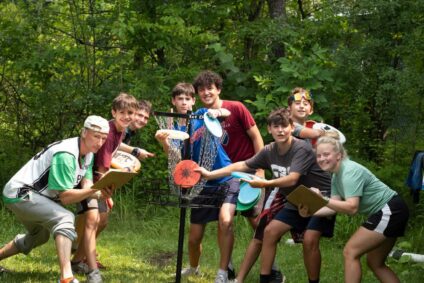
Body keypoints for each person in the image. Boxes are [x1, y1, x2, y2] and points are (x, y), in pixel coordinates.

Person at [196, 108, 335, 283]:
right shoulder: (269, 150)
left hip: (320, 198)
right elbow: (242, 165)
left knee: (309, 241)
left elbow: (292, 179)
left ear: (292, 127)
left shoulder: (301, 148)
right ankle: (265, 279)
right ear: (269, 129)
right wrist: (210, 174)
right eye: (276, 127)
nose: (281, 130)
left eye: (284, 126)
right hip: (295, 199)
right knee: (269, 232)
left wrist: (265, 184)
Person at [0, 115, 112, 283]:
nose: (100, 142)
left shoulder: (88, 153)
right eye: (96, 136)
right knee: (65, 217)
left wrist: (99, 193)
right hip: (21, 193)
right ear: (84, 132)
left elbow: (87, 184)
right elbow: (66, 197)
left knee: (40, 236)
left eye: (104, 138)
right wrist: (93, 191)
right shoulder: (66, 154)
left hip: (31, 196)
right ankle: (66, 277)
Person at [155, 82, 237, 283]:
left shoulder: (201, 114)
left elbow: (225, 111)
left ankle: (222, 272)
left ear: (193, 101)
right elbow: (176, 157)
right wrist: (164, 142)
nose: (184, 102)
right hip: (201, 183)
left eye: (187, 98)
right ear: (173, 101)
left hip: (224, 176)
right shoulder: (172, 128)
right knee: (194, 237)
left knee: (225, 222)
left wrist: (216, 114)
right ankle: (193, 267)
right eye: (180, 98)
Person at [193, 70, 269, 282]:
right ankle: (227, 268)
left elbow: (256, 137)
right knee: (224, 221)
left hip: (248, 172)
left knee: (257, 222)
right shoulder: (200, 116)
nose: (206, 92)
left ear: (218, 89)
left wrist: (260, 169)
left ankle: (271, 267)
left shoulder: (236, 108)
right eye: (201, 90)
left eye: (210, 88)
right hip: (222, 176)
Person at [303, 135, 409, 283]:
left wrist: (322, 199)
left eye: (326, 154)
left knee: (350, 251)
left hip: (389, 210)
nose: (321, 159)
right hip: (392, 210)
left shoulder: (349, 171)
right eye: (319, 155)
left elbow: (352, 207)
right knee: (375, 263)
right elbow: (333, 207)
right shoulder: (335, 176)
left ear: (339, 155)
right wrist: (312, 210)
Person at [72, 93, 141, 283]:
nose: (127, 116)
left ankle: (78, 259)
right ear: (113, 112)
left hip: (97, 178)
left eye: (131, 113)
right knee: (96, 220)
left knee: (100, 222)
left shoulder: (121, 130)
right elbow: (101, 168)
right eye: (123, 112)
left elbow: (112, 156)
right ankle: (85, 264)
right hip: (88, 178)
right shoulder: (109, 132)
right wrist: (106, 193)